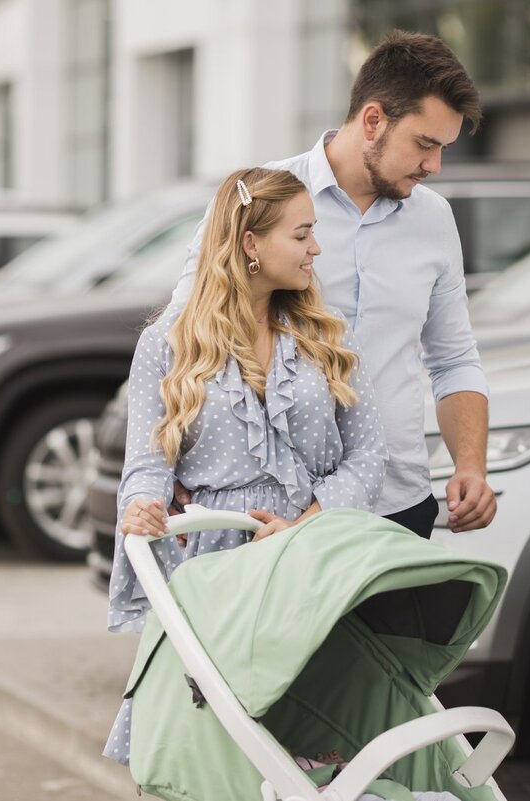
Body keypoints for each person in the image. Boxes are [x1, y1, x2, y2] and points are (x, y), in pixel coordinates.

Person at [103, 167, 388, 765]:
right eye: (302, 234)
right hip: (215, 570)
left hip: (314, 560)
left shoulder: (327, 336)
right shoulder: (167, 342)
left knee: (317, 745)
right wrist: (142, 505)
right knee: (218, 753)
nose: (316, 248)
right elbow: (147, 461)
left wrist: (308, 521)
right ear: (250, 244)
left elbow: (367, 455)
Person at [170, 31, 497, 539]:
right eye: (425, 144)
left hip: (399, 505)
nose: (434, 166)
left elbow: (454, 360)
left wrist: (471, 466)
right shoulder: (260, 198)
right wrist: (166, 466)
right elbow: (186, 333)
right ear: (373, 121)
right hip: (277, 510)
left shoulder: (434, 219)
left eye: (442, 149)